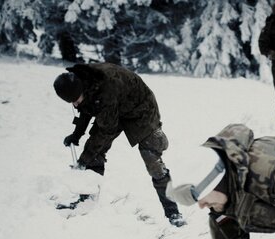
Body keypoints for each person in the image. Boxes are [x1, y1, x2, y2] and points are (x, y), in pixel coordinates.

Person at [53, 63, 185, 227]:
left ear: (81, 90)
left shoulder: (105, 89)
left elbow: (105, 130)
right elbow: (87, 107)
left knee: (151, 158)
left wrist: (83, 161)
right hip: (116, 107)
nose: (74, 105)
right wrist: (77, 134)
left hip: (141, 109)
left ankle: (173, 213)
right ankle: (86, 202)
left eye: (75, 100)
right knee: (95, 151)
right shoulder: (84, 81)